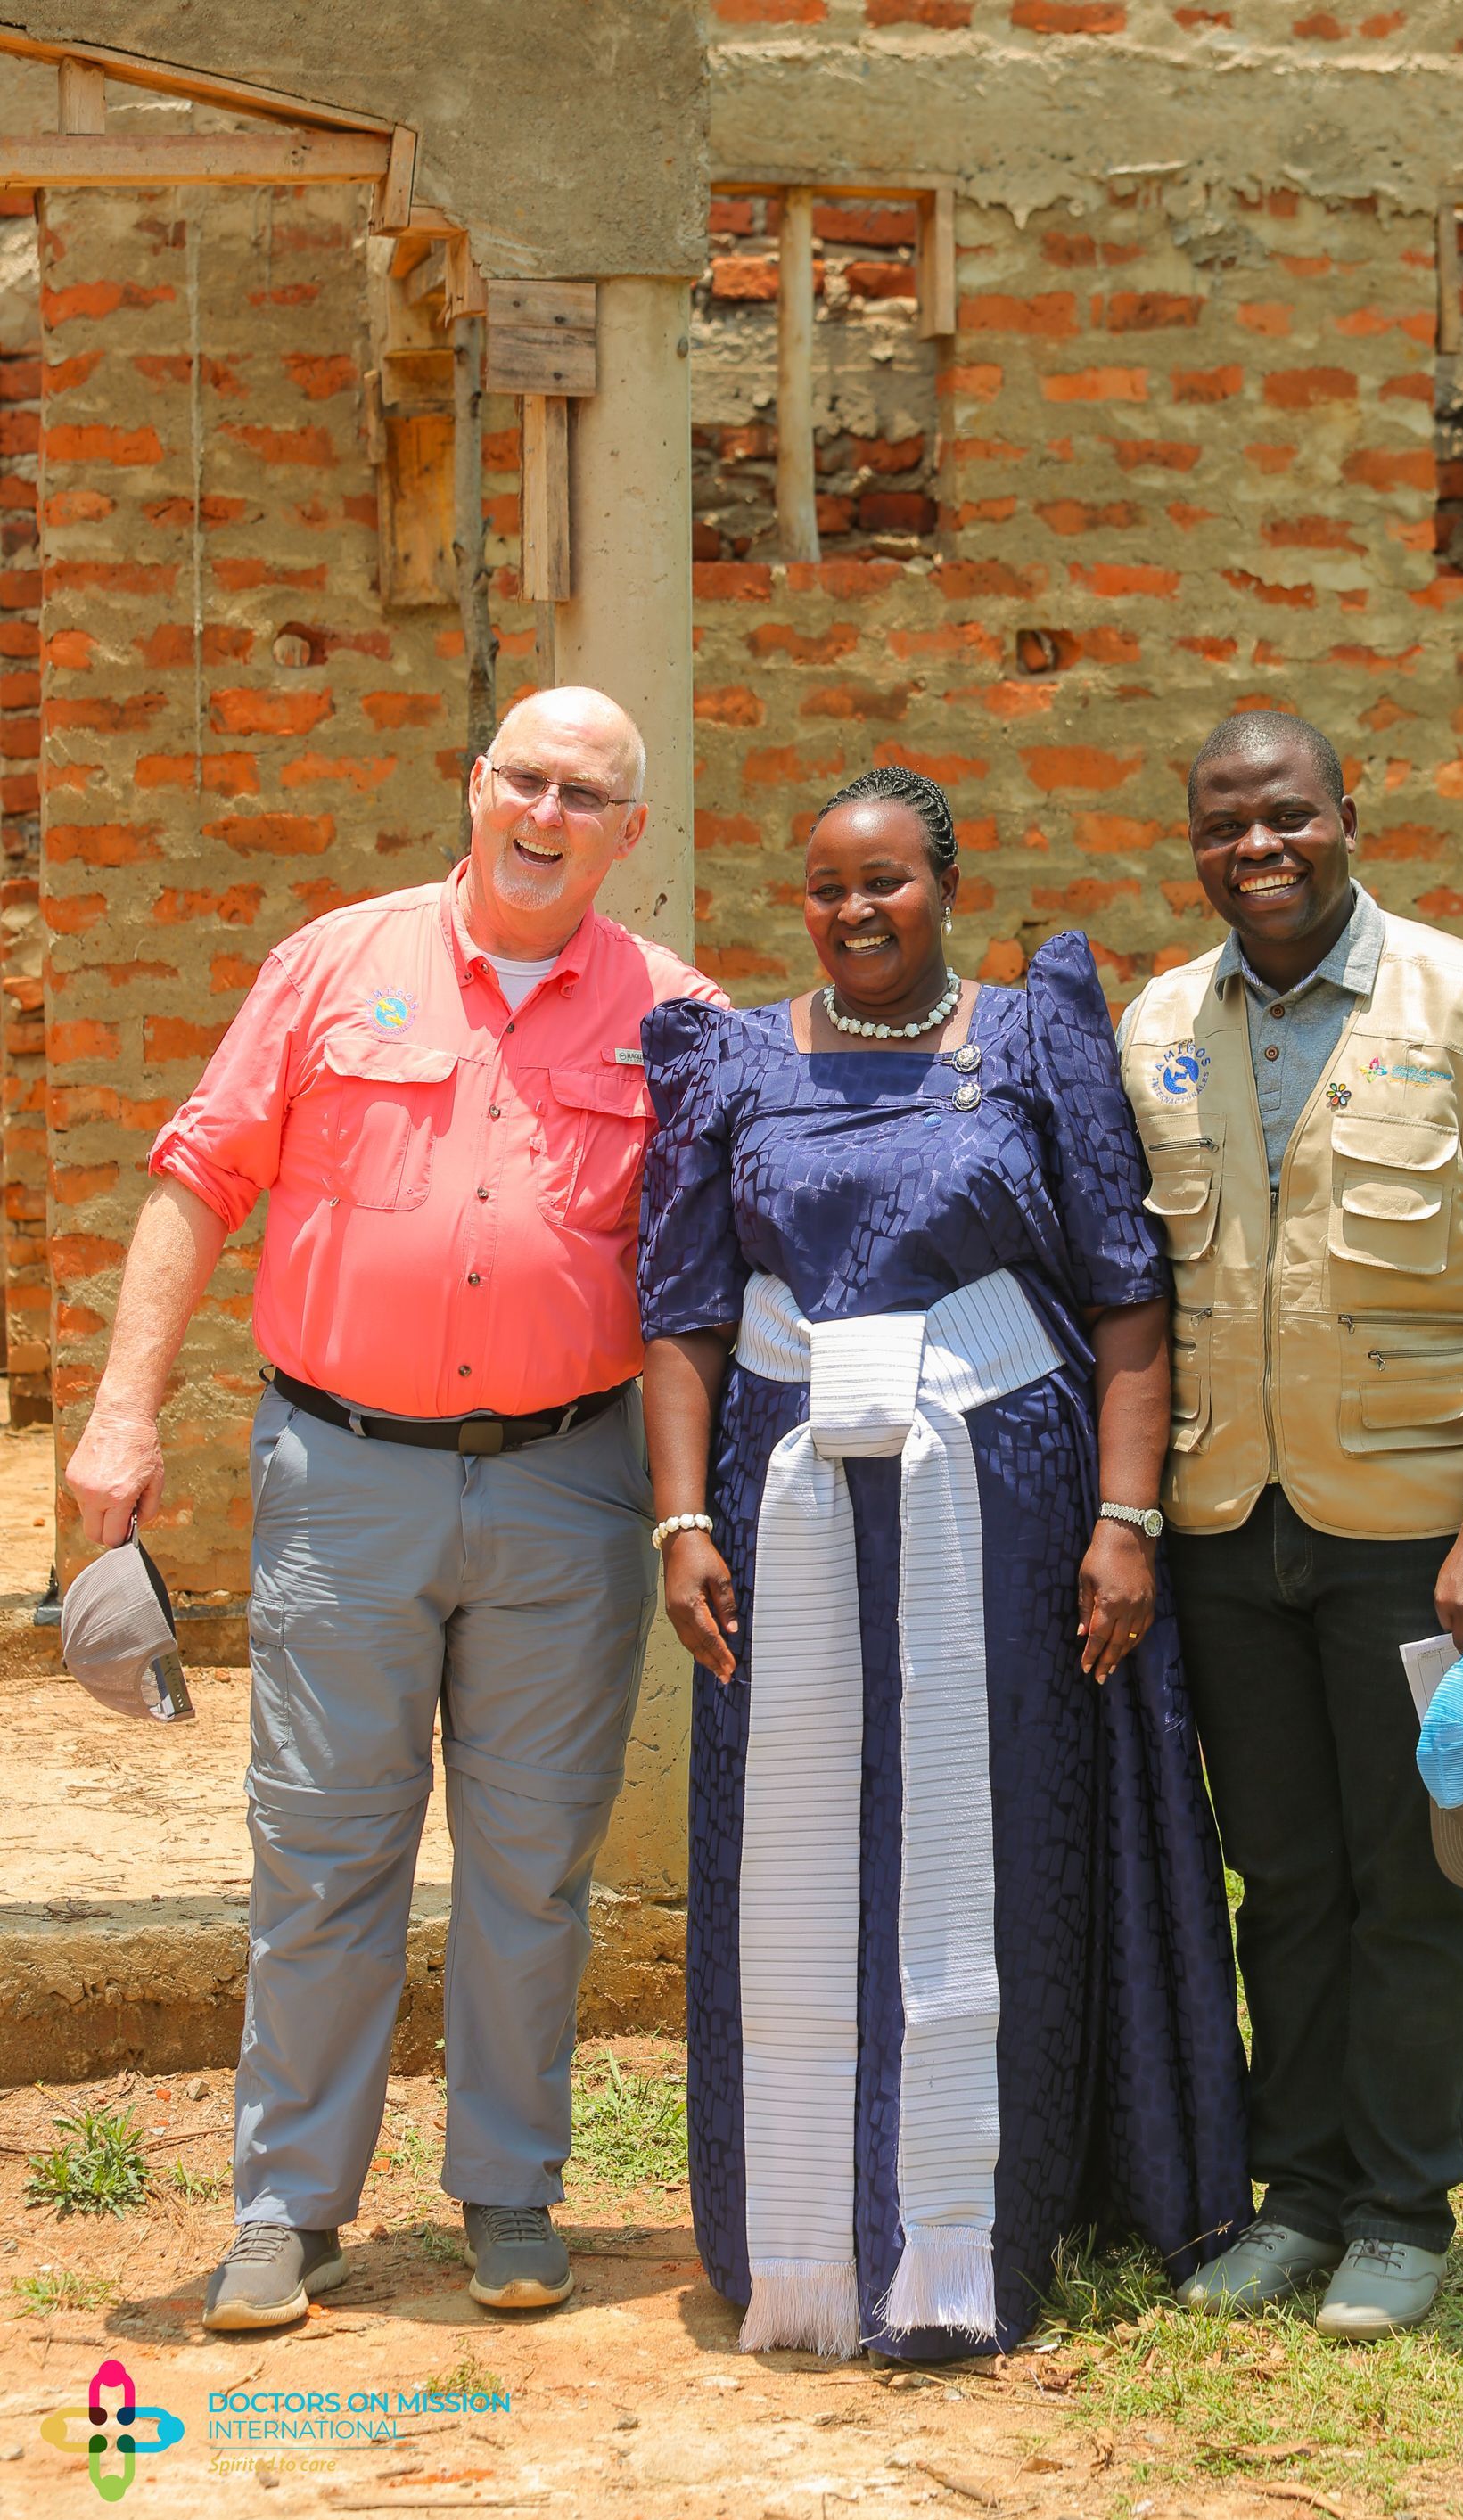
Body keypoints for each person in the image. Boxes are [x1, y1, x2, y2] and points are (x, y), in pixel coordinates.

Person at [64, 686, 725, 2331]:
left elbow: (717, 1272)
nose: (548, 813)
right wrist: (122, 1408)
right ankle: (289, 2209)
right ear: (474, 782)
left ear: (628, 836)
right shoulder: (332, 963)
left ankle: (509, 2194)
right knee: (323, 1853)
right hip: (341, 1477)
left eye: (588, 795)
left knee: (532, 1866)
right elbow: (200, 1173)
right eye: (526, 778)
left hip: (571, 1488)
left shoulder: (677, 1013)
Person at [637, 766, 1249, 2363]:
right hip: (787, 1513)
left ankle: (981, 2233)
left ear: (948, 886)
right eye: (830, 884)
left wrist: (1128, 1521)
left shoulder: (1033, 1036)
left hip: (1007, 1494)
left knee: (991, 1839)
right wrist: (682, 1518)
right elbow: (684, 1316)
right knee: (800, 1839)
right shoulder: (732, 1059)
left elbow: (1126, 1302)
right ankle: (801, 2236)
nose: (856, 910)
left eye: (888, 880)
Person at [1120, 710, 1463, 2340]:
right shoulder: (1160, 1024)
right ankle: (1300, 2194)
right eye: (1223, 824)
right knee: (1286, 1875)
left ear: (1346, 817)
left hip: (1418, 1530)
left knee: (1417, 1875)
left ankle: (1402, 2207)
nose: (1257, 850)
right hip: (1229, 1526)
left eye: (1287, 818)